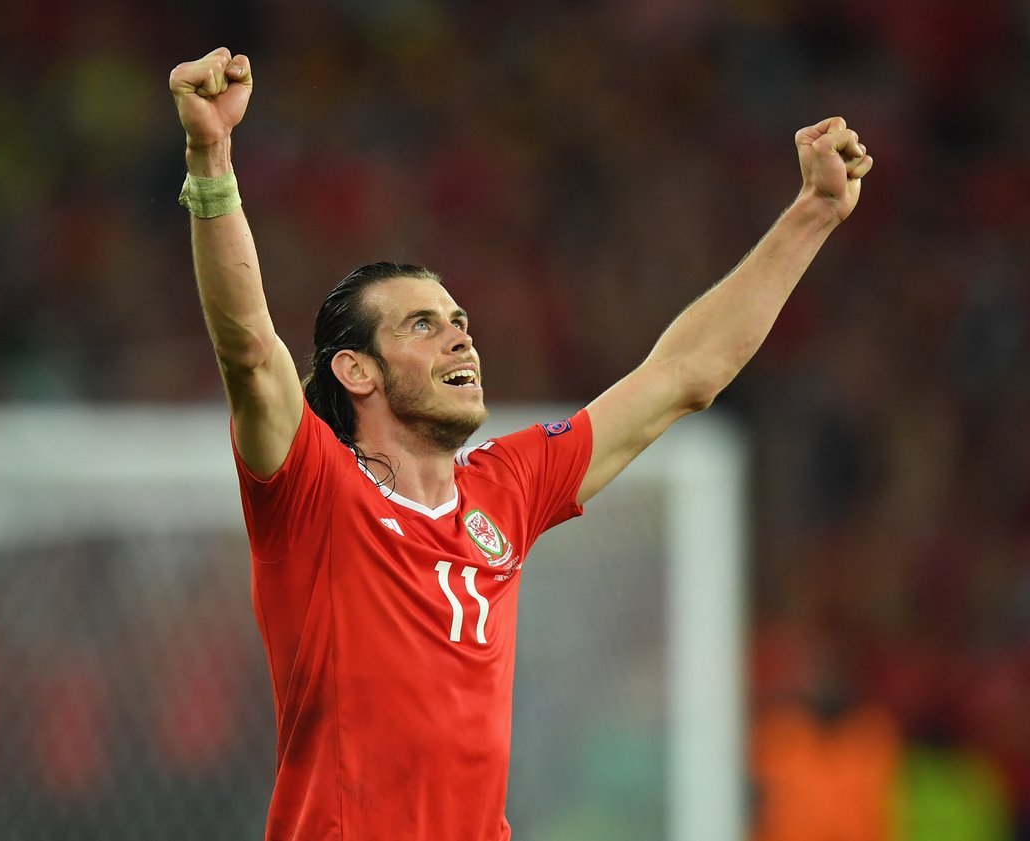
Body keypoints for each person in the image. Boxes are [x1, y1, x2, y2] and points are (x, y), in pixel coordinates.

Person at [169, 46, 873, 841]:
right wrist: (211, 159)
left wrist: (812, 212)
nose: (460, 341)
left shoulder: (506, 488)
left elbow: (686, 373)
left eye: (461, 323)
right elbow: (251, 353)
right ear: (355, 370)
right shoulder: (314, 492)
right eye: (423, 325)